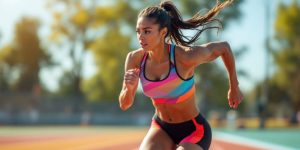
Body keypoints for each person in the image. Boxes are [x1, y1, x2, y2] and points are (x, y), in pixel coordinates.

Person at [118, 0, 243, 150]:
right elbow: (125, 104)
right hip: (161, 127)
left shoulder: (184, 57)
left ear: (163, 32)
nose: (140, 36)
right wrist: (129, 89)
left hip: (194, 130)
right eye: (138, 31)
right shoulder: (134, 59)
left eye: (147, 31)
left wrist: (234, 86)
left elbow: (224, 48)